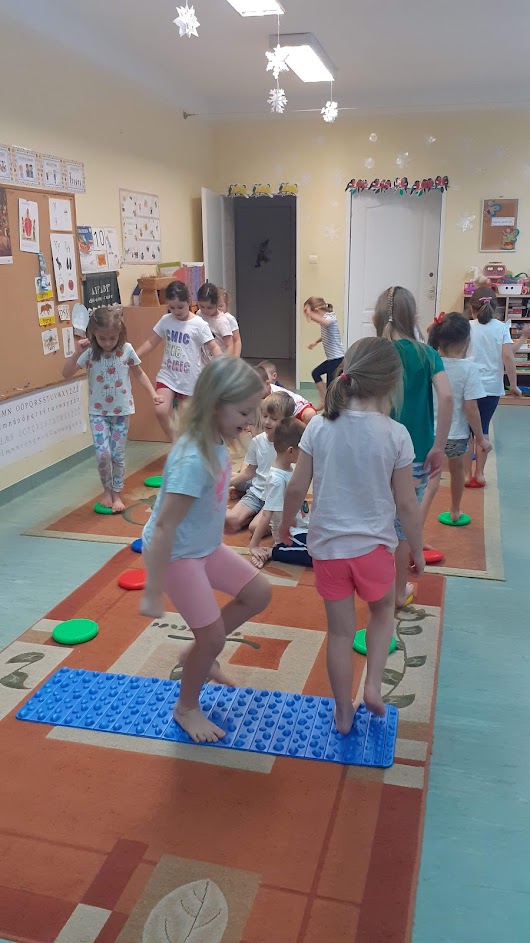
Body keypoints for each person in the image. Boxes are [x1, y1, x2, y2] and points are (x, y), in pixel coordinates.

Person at [279, 337, 424, 730]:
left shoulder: (318, 426)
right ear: (391, 384)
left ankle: (343, 710)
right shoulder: (396, 434)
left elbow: (296, 487)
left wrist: (285, 524)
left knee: (341, 634)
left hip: (328, 551)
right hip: (374, 549)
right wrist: (418, 551)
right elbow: (407, 504)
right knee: (382, 613)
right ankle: (372, 686)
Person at [140, 356, 271, 744]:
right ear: (215, 404)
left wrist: (226, 518)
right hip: (175, 554)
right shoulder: (192, 459)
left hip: (203, 545)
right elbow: (164, 525)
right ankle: (186, 707)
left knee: (258, 593)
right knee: (213, 638)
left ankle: (195, 652)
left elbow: (204, 501)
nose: (250, 421)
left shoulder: (215, 443)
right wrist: (152, 590)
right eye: (244, 412)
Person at [373, 286, 453, 607]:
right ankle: (397, 590)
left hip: (375, 453)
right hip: (417, 452)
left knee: (376, 518)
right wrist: (439, 446)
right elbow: (447, 397)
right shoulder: (427, 354)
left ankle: (372, 582)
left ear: (378, 316)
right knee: (402, 524)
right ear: (413, 316)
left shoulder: (376, 353)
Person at [63, 305, 162, 513]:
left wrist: (153, 394)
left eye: (112, 338)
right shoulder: (90, 353)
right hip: (98, 413)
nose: (108, 343)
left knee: (117, 455)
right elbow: (66, 373)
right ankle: (106, 490)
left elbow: (139, 373)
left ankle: (117, 493)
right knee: (103, 454)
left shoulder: (126, 350)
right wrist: (76, 353)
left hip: (121, 412)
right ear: (93, 334)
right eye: (102, 338)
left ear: (120, 333)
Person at [423, 312, 491, 524]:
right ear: (467, 340)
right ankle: (455, 510)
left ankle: (418, 518)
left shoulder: (429, 363)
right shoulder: (469, 368)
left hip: (429, 432)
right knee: (457, 470)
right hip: (456, 435)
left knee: (430, 477)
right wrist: (481, 439)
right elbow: (471, 408)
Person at [136, 281, 221, 440]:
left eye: (180, 307)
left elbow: (213, 347)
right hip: (168, 375)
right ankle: (174, 441)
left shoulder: (199, 324)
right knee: (160, 410)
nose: (176, 311)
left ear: (189, 301)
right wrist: (134, 355)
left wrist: (222, 363)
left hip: (189, 378)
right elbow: (151, 342)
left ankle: (189, 445)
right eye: (172, 308)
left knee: (186, 422)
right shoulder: (166, 320)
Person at [465, 287, 521, 487]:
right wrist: (513, 385)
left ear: (471, 309)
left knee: (467, 432)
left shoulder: (466, 327)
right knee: (483, 428)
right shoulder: (501, 328)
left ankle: (466, 475)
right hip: (491, 388)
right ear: (496, 308)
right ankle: (479, 474)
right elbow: (508, 356)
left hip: (468, 386)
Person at [225, 391, 294, 534]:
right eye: (265, 416)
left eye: (274, 418)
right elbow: (248, 473)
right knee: (231, 521)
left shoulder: (290, 445)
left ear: (286, 421)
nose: (267, 422)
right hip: (256, 493)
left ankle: (266, 519)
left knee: (254, 528)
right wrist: (223, 485)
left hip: (276, 497)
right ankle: (254, 515)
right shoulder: (257, 441)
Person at [249, 417, 312, 569]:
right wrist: (254, 545)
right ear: (291, 451)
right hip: (290, 535)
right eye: (302, 450)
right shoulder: (276, 480)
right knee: (317, 554)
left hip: (304, 528)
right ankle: (274, 552)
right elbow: (267, 514)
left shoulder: (291, 468)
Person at [305, 296, 345, 410]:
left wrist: (309, 312)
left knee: (331, 387)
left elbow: (326, 323)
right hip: (332, 359)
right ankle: (324, 401)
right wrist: (315, 342)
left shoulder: (330, 318)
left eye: (312, 316)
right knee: (316, 373)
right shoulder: (325, 321)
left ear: (317, 311)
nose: (312, 319)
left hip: (337, 360)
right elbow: (326, 334)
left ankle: (331, 408)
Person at [258, 360, 317, 425]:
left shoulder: (277, 393)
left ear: (267, 384)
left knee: (309, 414)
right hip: (282, 415)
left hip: (298, 410)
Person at [197, 282, 234, 358]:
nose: (205, 310)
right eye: (202, 306)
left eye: (209, 307)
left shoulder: (222, 321)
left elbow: (230, 345)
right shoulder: (199, 314)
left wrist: (224, 362)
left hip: (218, 361)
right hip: (203, 361)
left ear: (217, 304)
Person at [218, 288, 242, 357]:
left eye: (221, 306)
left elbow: (237, 340)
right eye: (215, 306)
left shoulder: (229, 319)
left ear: (226, 305)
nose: (218, 309)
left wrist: (236, 357)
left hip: (227, 355)